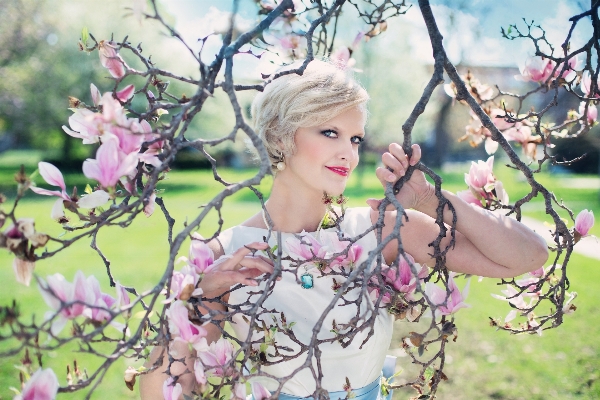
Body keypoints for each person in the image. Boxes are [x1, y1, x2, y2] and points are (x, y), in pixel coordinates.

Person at [140, 60, 549, 399]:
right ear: (280, 138)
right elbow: (168, 392)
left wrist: (430, 200)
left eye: (355, 138)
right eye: (330, 132)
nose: (348, 153)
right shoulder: (227, 254)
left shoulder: (378, 230)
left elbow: (528, 256)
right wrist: (194, 303)